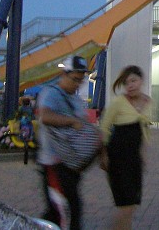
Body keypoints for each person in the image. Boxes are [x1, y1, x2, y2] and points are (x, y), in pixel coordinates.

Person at [37, 55, 92, 230]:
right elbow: (45, 116)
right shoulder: (51, 93)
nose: (77, 84)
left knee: (63, 210)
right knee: (64, 212)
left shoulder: (75, 99)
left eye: (81, 81)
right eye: (75, 79)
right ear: (64, 74)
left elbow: (83, 124)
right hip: (53, 164)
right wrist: (71, 121)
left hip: (70, 165)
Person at [99, 65, 152, 230]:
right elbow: (104, 127)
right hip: (117, 157)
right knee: (125, 204)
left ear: (141, 81)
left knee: (131, 204)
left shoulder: (148, 101)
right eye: (127, 82)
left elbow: (145, 129)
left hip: (134, 159)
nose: (130, 85)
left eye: (134, 81)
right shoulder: (118, 102)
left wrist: (142, 155)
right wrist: (103, 155)